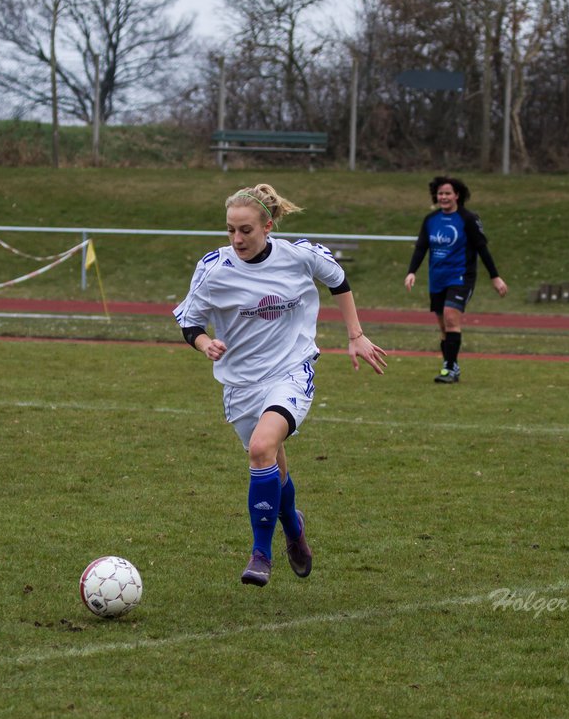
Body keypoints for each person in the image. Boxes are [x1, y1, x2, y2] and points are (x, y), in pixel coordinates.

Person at [174, 184, 387, 587]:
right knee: (270, 461)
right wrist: (205, 343)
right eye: (230, 230)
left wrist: (355, 334)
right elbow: (189, 320)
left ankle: (261, 554)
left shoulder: (300, 255)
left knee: (260, 448)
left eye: (246, 230)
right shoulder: (214, 268)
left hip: (292, 368)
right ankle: (292, 524)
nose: (237, 239)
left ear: (268, 226)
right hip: (240, 383)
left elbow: (339, 281)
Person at [404, 175, 508, 383]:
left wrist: (495, 277)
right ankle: (451, 365)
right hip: (437, 278)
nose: (443, 197)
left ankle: (449, 369)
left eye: (447, 193)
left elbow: (482, 249)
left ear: (457, 195)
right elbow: (421, 248)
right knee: (444, 326)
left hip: (461, 276)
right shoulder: (431, 220)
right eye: (440, 193)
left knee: (451, 317)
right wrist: (412, 271)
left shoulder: (468, 219)